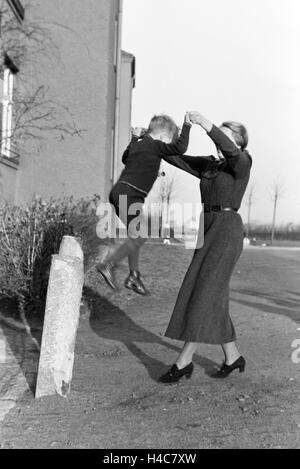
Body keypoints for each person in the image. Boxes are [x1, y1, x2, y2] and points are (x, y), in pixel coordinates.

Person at [157, 111, 252, 383]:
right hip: (206, 227)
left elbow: (230, 151)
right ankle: (233, 357)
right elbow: (175, 157)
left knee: (205, 292)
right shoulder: (210, 166)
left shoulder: (242, 162)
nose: (217, 140)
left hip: (226, 230)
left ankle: (183, 361)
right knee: (212, 295)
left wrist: (207, 124)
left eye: (224, 134)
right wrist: (151, 141)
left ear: (237, 141)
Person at [96, 113, 193, 296]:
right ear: (164, 137)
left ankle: (134, 276)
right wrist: (186, 125)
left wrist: (134, 137)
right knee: (140, 235)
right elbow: (181, 147)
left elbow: (126, 158)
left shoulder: (139, 144)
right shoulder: (156, 145)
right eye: (168, 140)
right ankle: (109, 264)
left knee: (136, 235)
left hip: (122, 192)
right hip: (129, 194)